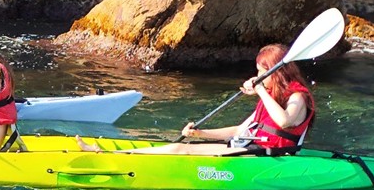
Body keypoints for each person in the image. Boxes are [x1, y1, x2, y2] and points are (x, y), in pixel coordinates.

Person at [79, 42, 314, 155]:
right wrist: (201, 134)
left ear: (276, 72)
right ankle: (118, 153)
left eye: (262, 72)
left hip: (269, 157)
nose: (258, 76)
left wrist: (260, 89)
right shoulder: (271, 97)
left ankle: (106, 155)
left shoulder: (298, 98)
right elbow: (240, 131)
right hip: (251, 149)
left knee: (179, 149)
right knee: (184, 145)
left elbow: (284, 121)